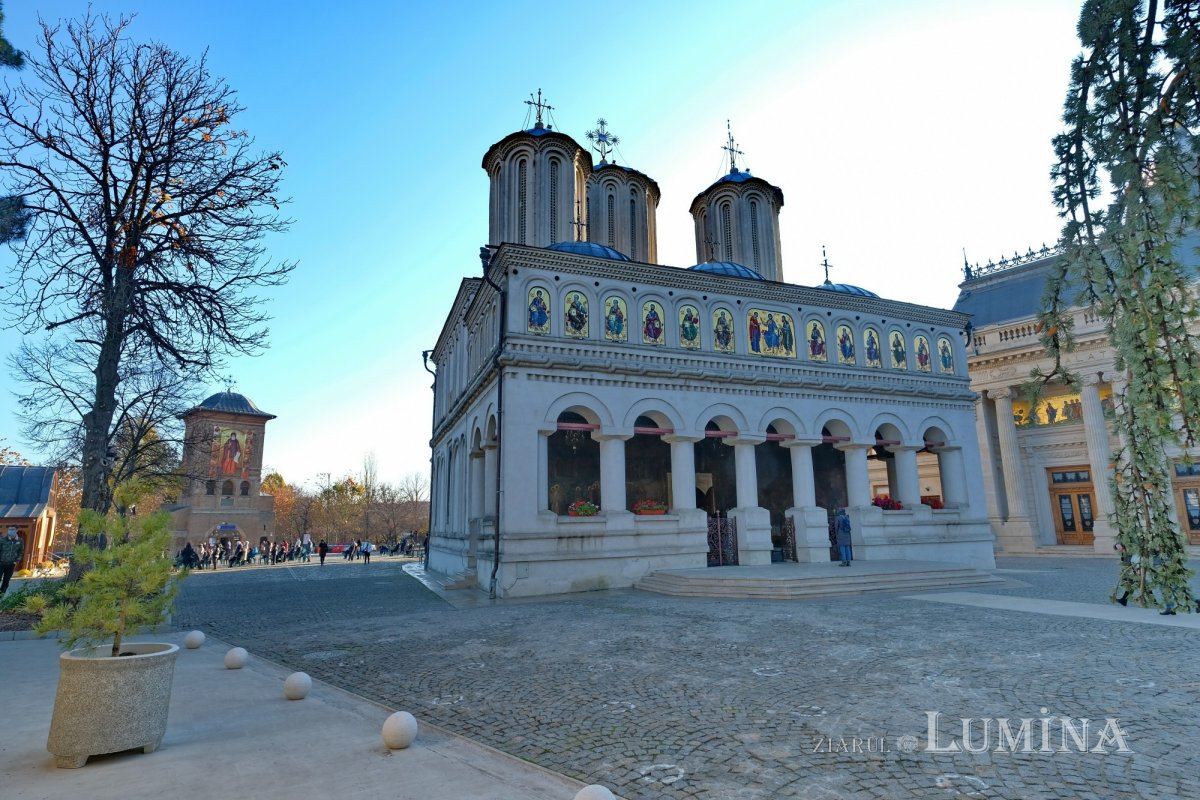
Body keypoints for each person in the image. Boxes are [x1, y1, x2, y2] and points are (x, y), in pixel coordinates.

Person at [1, 526, 24, 593]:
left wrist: (16, 561)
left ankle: (1, 594)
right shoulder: (2, 540)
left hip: (11, 564)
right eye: (9, 529)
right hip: (1, 563)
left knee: (6, 580)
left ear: (16, 530)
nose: (10, 531)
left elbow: (21, 551)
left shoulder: (20, 541)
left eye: (12, 529)